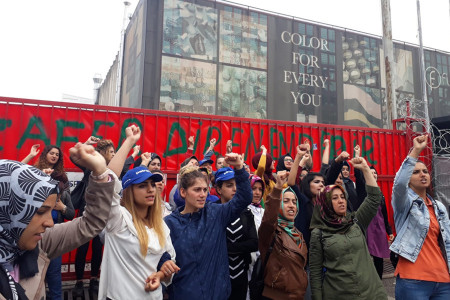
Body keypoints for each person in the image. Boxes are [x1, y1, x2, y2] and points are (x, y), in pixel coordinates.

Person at [0, 143, 115, 300]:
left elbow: (91, 223)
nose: (49, 223)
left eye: (51, 210)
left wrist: (101, 173)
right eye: (40, 211)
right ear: (10, 208)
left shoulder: (42, 242)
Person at [98, 125, 178, 299]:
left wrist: (160, 275)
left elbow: (169, 261)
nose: (150, 190)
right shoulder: (119, 220)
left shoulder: (161, 226)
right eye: (142, 186)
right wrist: (129, 142)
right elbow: (107, 182)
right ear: (128, 191)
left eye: (152, 184)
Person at [164, 153, 252, 299]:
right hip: (184, 294)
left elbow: (244, 198)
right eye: (197, 190)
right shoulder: (170, 224)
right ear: (183, 192)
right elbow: (162, 257)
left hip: (218, 294)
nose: (203, 194)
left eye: (205, 189)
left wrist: (239, 168)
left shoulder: (216, 214)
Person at [309, 157, 387, 300]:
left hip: (371, 293)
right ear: (325, 203)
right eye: (334, 198)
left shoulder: (356, 221)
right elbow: (315, 273)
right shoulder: (319, 233)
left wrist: (365, 168)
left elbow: (374, 198)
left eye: (343, 197)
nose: (341, 201)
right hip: (338, 294)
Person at [390, 134, 450, 299]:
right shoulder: (404, 204)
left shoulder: (439, 207)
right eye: (416, 172)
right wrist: (416, 151)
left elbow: (448, 243)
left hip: (443, 280)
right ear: (409, 179)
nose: (422, 174)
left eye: (425, 171)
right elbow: (399, 184)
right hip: (413, 280)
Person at [72, 137, 116, 295]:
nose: (113, 154)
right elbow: (74, 156)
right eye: (111, 152)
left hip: (103, 213)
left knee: (98, 248)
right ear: (103, 153)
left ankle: (93, 279)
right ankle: (78, 282)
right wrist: (87, 143)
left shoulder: (113, 168)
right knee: (82, 248)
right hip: (86, 211)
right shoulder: (90, 167)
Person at [258, 170, 308, 299]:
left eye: (293, 202)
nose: (291, 206)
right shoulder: (271, 232)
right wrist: (278, 189)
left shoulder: (298, 234)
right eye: (285, 201)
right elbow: (269, 219)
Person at [215, 167, 258, 300]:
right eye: (229, 185)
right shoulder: (212, 213)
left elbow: (254, 243)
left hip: (241, 274)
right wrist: (240, 246)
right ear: (218, 189)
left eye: (236, 185)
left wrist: (225, 247)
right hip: (217, 276)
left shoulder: (246, 213)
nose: (235, 189)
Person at [353, 145, 394, 279]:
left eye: (375, 173)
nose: (374, 175)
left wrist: (389, 231)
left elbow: (385, 212)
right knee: (364, 255)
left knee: (379, 256)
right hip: (366, 226)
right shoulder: (362, 189)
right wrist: (357, 154)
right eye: (371, 173)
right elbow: (358, 175)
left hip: (379, 227)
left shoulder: (380, 194)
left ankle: (378, 280)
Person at [45, 172, 75, 300]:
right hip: (38, 238)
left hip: (55, 239)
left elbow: (71, 214)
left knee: (54, 273)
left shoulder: (65, 195)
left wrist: (62, 207)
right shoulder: (42, 192)